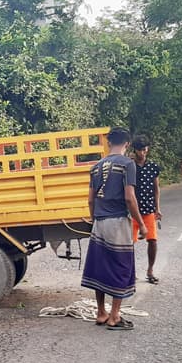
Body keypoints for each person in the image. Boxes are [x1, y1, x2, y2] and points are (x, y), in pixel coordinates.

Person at [81, 127, 145, 331]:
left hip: (99, 222)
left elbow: (90, 199)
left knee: (100, 266)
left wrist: (95, 219)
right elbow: (129, 197)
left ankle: (101, 312)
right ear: (127, 144)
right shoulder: (128, 165)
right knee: (121, 266)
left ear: (109, 143)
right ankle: (115, 315)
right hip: (118, 222)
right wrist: (141, 224)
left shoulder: (97, 166)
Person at [131, 135, 162, 284]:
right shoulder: (129, 166)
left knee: (153, 240)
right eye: (140, 150)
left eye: (145, 149)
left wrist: (157, 208)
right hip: (132, 210)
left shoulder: (153, 167)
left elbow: (156, 189)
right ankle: (131, 272)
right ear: (135, 150)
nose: (143, 153)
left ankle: (150, 271)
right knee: (129, 243)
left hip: (149, 209)